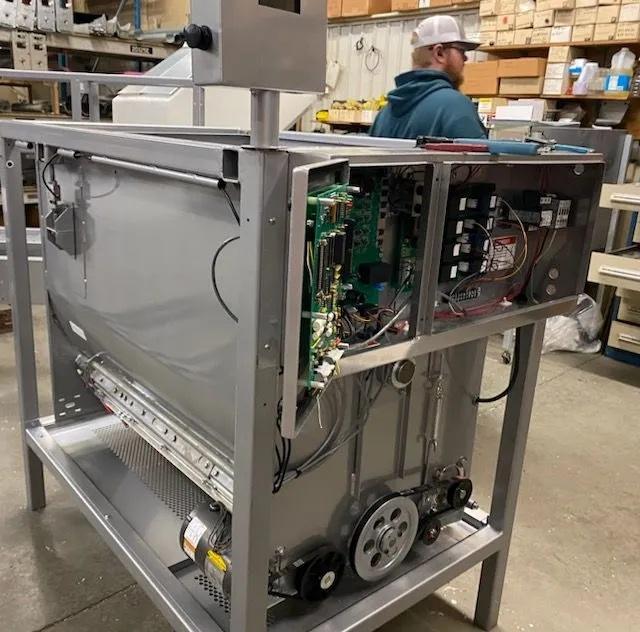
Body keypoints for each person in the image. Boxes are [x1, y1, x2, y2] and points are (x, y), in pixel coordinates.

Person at [370, 15, 486, 140]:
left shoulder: (384, 114)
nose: (465, 58)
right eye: (461, 51)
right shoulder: (456, 107)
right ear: (439, 53)